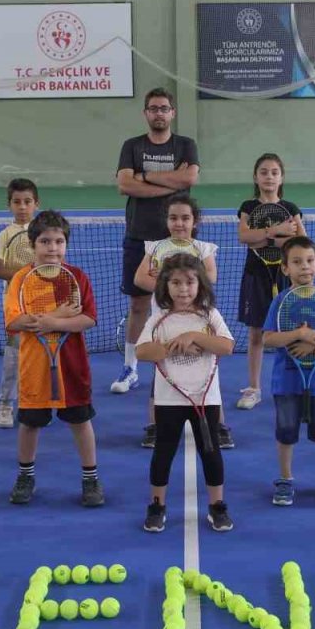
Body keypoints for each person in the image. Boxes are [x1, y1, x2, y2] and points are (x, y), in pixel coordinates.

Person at [4, 211, 104, 508]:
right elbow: (15, 321)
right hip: (34, 367)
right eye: (45, 241)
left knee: (80, 421)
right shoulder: (22, 279)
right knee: (30, 423)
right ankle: (25, 475)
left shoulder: (75, 277)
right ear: (33, 245)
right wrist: (59, 316)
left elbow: (87, 319)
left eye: (59, 241)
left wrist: (50, 323)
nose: (53, 248)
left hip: (72, 366)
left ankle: (90, 477)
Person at [136, 255, 235, 533]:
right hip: (169, 400)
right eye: (176, 283)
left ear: (200, 284)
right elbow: (143, 351)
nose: (183, 289)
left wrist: (195, 336)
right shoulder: (158, 319)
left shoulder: (209, 315)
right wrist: (174, 346)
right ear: (165, 286)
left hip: (206, 399)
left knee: (211, 452)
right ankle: (157, 506)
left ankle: (217, 507)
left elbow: (226, 346)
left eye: (189, 282)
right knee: (163, 453)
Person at [112, 88, 201, 398]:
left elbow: (189, 180)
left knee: (184, 301)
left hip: (178, 240)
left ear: (172, 113)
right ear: (146, 114)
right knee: (137, 304)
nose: (159, 113)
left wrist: (145, 177)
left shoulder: (185, 145)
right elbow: (124, 184)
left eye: (164, 108)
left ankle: (183, 361)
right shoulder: (132, 146)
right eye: (153, 109)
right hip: (139, 234)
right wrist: (168, 182)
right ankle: (131, 367)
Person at [261, 237, 315, 507]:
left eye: (310, 261)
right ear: (286, 269)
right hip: (287, 380)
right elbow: (268, 339)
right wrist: (298, 334)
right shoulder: (280, 301)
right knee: (286, 430)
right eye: (297, 262)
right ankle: (286, 479)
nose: (305, 267)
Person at [133, 194, 220, 449]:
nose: (179, 223)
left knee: (208, 368)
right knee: (161, 368)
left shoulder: (202, 248)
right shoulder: (155, 248)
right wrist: (168, 289)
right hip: (165, 320)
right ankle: (154, 424)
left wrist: (171, 280)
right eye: (173, 218)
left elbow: (210, 278)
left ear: (195, 221)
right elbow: (139, 279)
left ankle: (219, 423)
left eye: (185, 218)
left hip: (198, 320)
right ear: (166, 221)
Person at [236, 153, 305, 420]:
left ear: (281, 177)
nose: (269, 176)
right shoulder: (248, 207)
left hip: (287, 277)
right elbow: (244, 236)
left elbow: (301, 242)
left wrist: (265, 239)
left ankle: (294, 385)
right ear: (256, 177)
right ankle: (254, 388)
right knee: (256, 335)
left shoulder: (291, 207)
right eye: (263, 172)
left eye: (274, 172)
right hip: (256, 276)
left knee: (292, 333)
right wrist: (276, 231)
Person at [0, 178, 40, 429]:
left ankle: (32, 402)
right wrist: (30, 272)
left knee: (38, 354)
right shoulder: (4, 235)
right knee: (13, 355)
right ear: (9, 205)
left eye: (27, 202)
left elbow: (52, 267)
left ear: (36, 204)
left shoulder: (43, 233)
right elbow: (0, 270)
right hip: (14, 305)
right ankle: (5, 404)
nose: (22, 207)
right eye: (17, 202)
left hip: (42, 303)